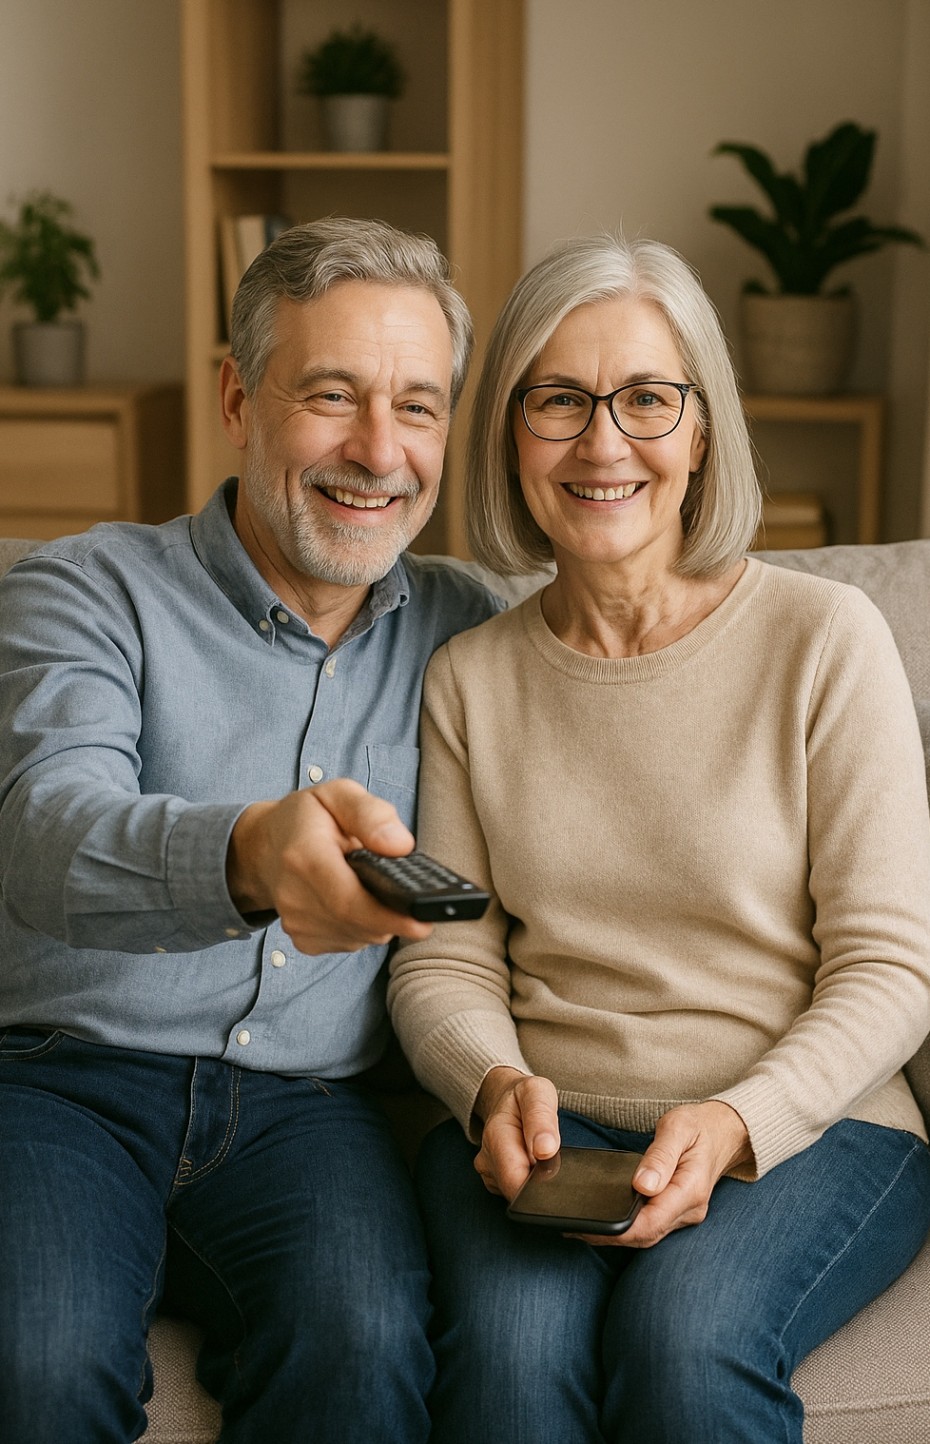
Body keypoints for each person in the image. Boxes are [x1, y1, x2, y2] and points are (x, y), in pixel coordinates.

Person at [387, 232, 930, 1444]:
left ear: (700, 428)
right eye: (559, 401)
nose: (602, 442)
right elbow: (445, 955)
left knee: (685, 1347)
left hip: (813, 1124)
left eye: (645, 398)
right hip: (549, 1123)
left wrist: (740, 1119)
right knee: (509, 1370)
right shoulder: (470, 678)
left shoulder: (824, 641)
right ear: (510, 433)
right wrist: (491, 1085)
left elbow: (892, 965)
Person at [0, 216, 501, 1444]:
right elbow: (46, 833)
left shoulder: (472, 632)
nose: (380, 452)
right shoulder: (82, 588)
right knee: (37, 1364)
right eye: (331, 395)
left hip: (307, 1109)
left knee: (370, 1349)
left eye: (419, 407)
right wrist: (246, 856)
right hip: (57, 1080)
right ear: (237, 395)